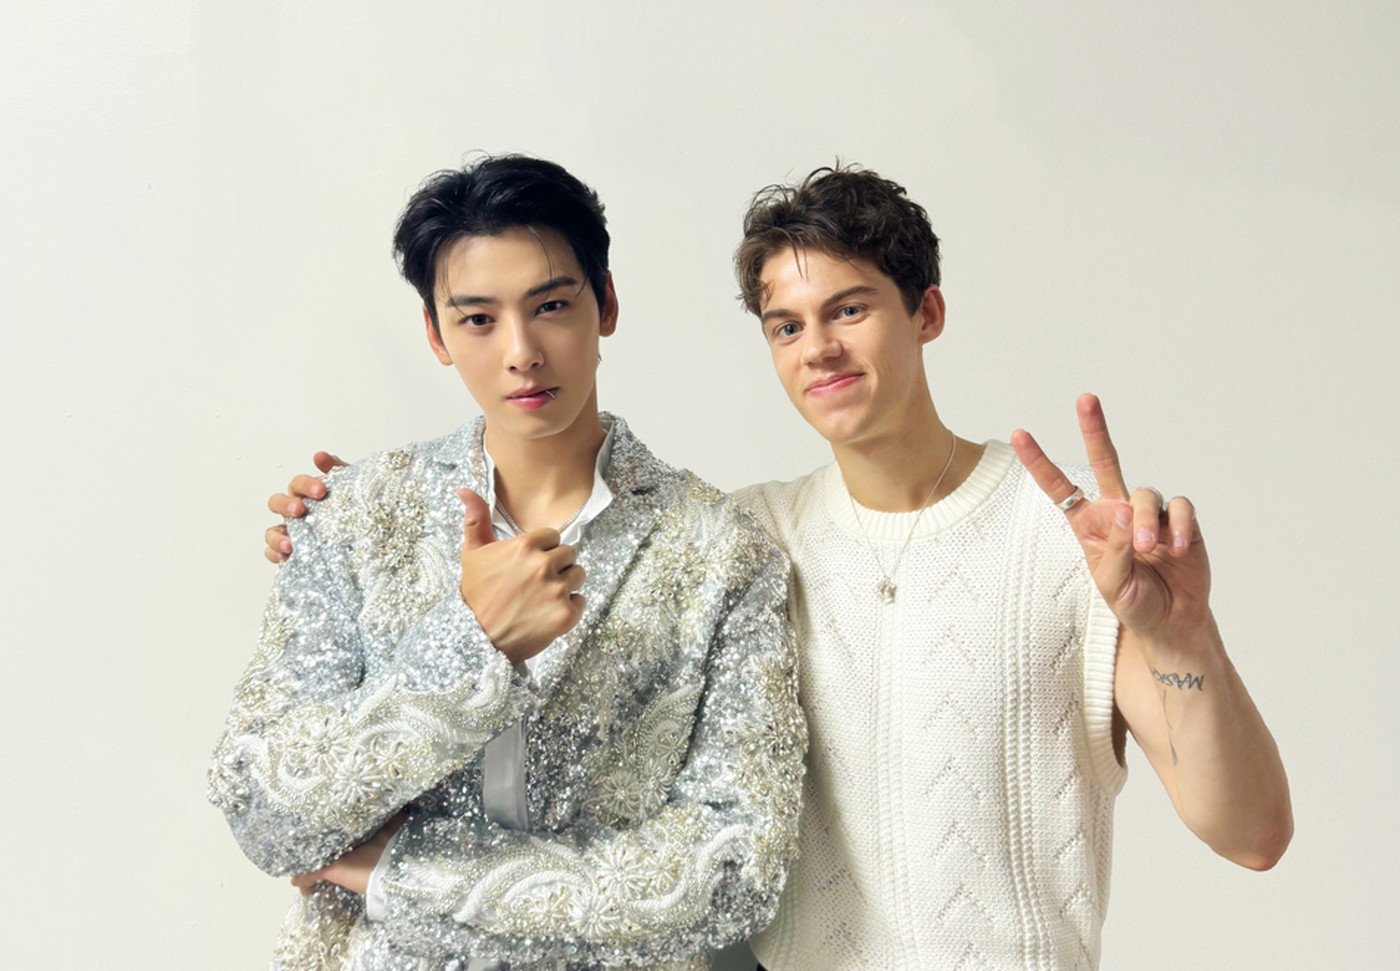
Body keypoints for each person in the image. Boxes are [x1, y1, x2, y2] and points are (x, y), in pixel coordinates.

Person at [264, 165, 1291, 970]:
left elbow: (1249, 834)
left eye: (850, 309)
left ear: (926, 312)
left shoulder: (1066, 542)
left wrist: (1181, 634)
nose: (818, 349)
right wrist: (364, 519)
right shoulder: (753, 535)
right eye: (786, 325)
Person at [211, 155, 805, 971]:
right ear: (436, 333)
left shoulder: (720, 551)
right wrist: (471, 644)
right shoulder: (353, 516)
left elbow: (733, 873)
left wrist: (399, 877)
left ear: (606, 303)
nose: (522, 351)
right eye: (479, 319)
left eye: (551, 306)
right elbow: (261, 808)